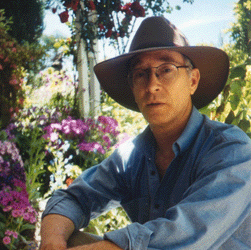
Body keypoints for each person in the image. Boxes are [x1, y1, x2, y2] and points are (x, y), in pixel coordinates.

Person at [40, 16, 251, 250]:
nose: (151, 85)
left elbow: (185, 234)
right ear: (132, 87)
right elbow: (72, 199)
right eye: (141, 73)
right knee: (67, 237)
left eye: (167, 69)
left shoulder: (232, 150)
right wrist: (52, 242)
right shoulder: (131, 158)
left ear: (193, 81)